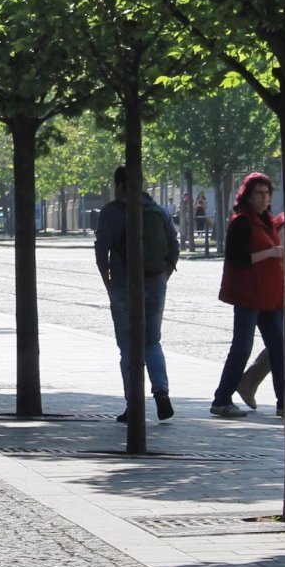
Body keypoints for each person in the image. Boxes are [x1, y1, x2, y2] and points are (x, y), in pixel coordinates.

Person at [94, 166, 177, 423]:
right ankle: (161, 392)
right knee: (152, 341)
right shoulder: (158, 210)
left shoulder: (110, 212)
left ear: (119, 185)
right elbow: (174, 245)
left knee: (128, 348)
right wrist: (163, 275)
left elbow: (101, 251)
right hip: (155, 282)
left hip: (122, 284)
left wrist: (108, 281)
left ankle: (134, 405)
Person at [213, 172, 285, 418]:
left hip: (269, 297)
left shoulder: (267, 220)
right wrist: (271, 252)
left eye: (267, 193)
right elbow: (237, 258)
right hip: (248, 296)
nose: (264, 198)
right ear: (248, 196)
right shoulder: (242, 222)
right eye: (259, 193)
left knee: (279, 347)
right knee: (242, 347)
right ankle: (221, 399)